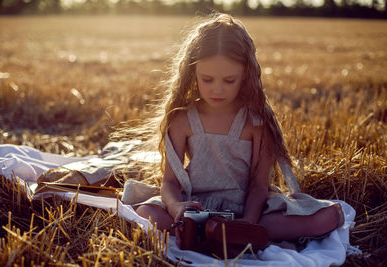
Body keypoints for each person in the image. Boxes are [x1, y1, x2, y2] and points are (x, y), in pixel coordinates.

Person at [122, 13, 344, 245]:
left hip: (246, 208)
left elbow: (259, 185)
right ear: (192, 72)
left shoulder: (256, 122)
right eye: (207, 79)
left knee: (327, 217)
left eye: (229, 81)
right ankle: (216, 233)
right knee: (147, 212)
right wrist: (177, 207)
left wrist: (249, 220)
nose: (217, 89)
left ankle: (228, 233)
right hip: (196, 207)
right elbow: (169, 182)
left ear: (246, 75)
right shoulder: (182, 119)